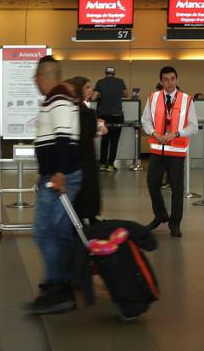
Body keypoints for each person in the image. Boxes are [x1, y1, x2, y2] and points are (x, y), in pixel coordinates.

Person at [25, 56, 82, 315]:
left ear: (43, 76)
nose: (35, 82)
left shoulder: (58, 96)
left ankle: (60, 287)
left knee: (43, 230)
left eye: (36, 77)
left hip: (61, 177)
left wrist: (58, 172)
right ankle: (62, 280)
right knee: (59, 233)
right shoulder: (58, 98)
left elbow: (63, 135)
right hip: (58, 175)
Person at [141, 66, 198, 238]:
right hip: (158, 150)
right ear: (161, 81)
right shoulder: (153, 98)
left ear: (177, 79)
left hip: (176, 151)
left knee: (177, 189)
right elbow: (146, 121)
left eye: (172, 78)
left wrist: (177, 133)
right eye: (166, 79)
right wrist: (154, 134)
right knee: (152, 183)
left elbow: (193, 126)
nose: (169, 82)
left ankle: (175, 224)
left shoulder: (186, 99)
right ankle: (160, 215)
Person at [68, 76, 107, 225]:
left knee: (88, 187)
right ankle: (86, 216)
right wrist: (98, 127)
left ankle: (88, 216)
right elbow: (90, 132)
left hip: (80, 155)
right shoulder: (84, 112)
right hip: (85, 155)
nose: (91, 90)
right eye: (88, 87)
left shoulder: (79, 108)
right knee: (87, 187)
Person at [93, 67, 127, 172]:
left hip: (103, 116)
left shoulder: (100, 82)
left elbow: (94, 98)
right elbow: (126, 94)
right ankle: (111, 165)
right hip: (117, 115)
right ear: (114, 73)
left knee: (104, 140)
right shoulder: (120, 81)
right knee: (114, 141)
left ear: (105, 73)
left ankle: (102, 164)